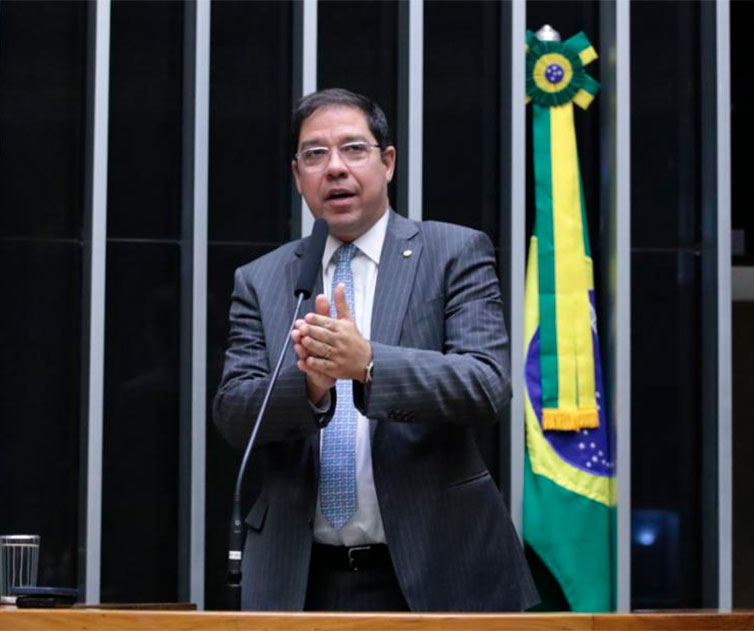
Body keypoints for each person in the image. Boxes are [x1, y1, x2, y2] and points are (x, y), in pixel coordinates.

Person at [213, 88, 538, 612]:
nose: (335, 168)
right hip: (300, 577)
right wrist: (312, 387)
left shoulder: (453, 252)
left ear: (387, 163)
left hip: (437, 564)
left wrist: (366, 364)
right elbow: (232, 411)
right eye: (315, 155)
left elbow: (486, 384)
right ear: (298, 177)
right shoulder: (263, 279)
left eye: (353, 149)